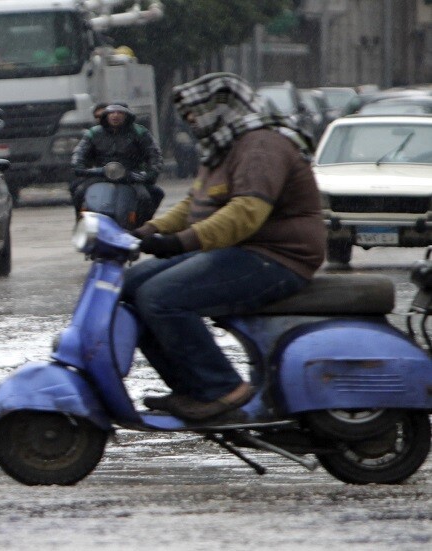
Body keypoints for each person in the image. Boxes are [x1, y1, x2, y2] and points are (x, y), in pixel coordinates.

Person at [122, 72, 325, 421]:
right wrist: (150, 230)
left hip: (275, 256)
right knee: (129, 287)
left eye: (194, 114)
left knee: (160, 297)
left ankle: (221, 389)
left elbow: (247, 212)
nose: (190, 123)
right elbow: (194, 204)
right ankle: (191, 388)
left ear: (220, 109)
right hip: (238, 249)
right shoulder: (223, 145)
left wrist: (181, 242)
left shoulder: (261, 145)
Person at [70, 102, 164, 219]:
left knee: (149, 196)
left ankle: (142, 227)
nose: (115, 116)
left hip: (130, 176)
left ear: (127, 116)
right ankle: (81, 224)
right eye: (112, 112)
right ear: (106, 115)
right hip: (101, 174)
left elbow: (154, 154)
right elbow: (79, 153)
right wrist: (81, 167)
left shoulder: (140, 133)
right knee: (78, 192)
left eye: (120, 112)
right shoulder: (94, 133)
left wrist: (149, 174)